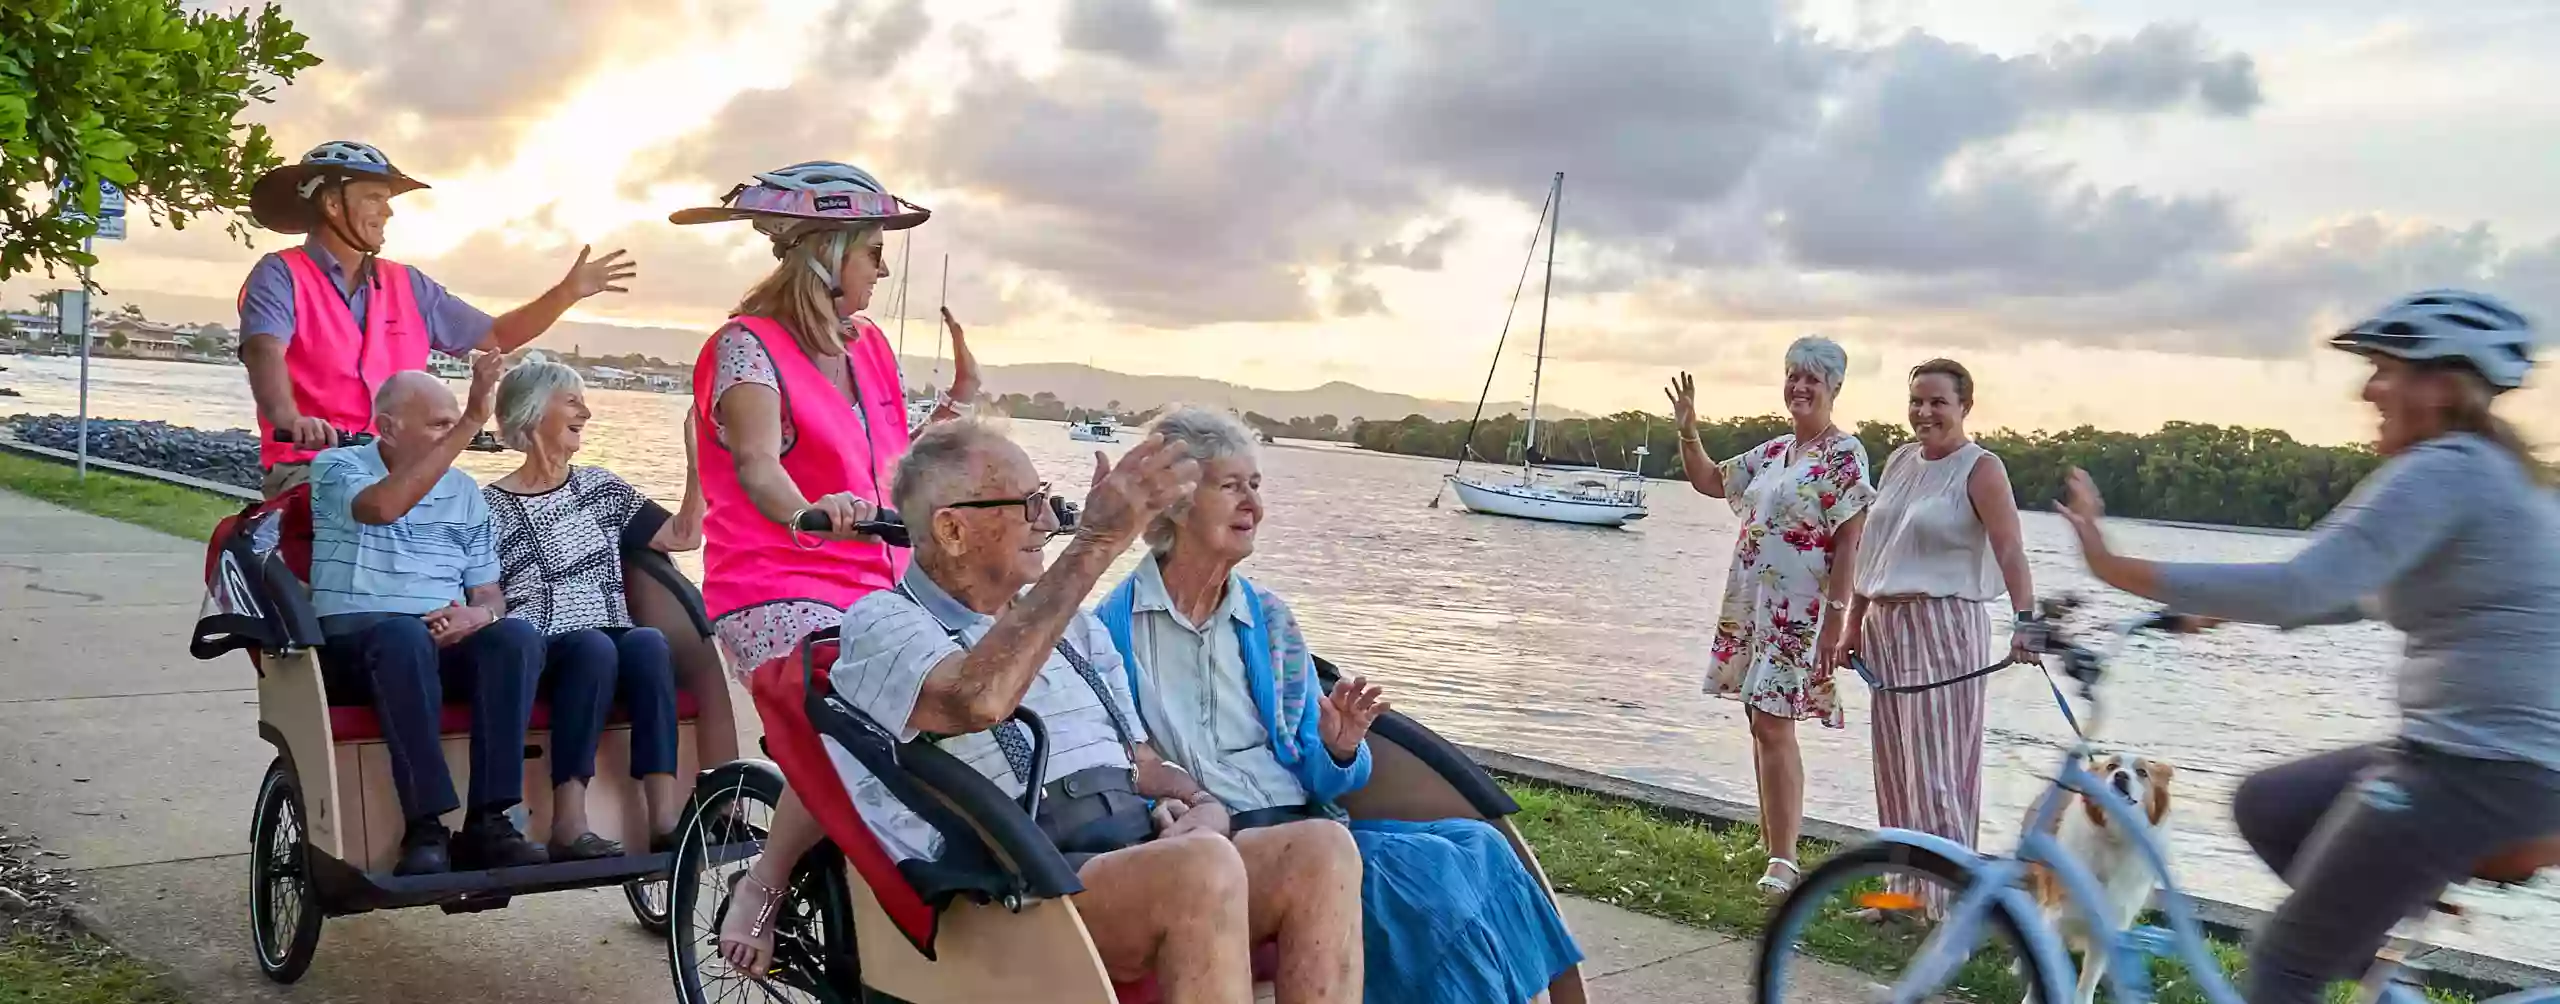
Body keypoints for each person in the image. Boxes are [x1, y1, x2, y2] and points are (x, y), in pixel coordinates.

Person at [2054, 290, 2560, 1004]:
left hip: (2479, 771)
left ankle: (2347, 944)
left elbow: (2302, 584)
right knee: (2271, 806)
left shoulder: (2450, 469)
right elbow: (2362, 593)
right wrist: (2213, 611)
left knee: (2282, 962)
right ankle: (2384, 973)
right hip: (2470, 759)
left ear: (2443, 385)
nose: (2370, 388)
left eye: (2387, 369)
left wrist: (2112, 567)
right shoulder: (2490, 475)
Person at [810, 418, 1364, 1002]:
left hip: (1124, 851)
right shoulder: (883, 623)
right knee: (1201, 868)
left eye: (1047, 500)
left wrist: (1203, 805)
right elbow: (976, 700)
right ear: (951, 529)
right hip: (1017, 882)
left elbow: (1139, 757)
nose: (1048, 521)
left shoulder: (1073, 626)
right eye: (1029, 505)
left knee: (1322, 849)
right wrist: (1097, 543)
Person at [1094, 406, 1583, 1004]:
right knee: (1427, 880)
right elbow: (1116, 760)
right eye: (1231, 487)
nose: (1254, 505)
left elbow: (1317, 773)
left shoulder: (1269, 620)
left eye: (1256, 486)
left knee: (1479, 848)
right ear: (1176, 504)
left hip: (1303, 819)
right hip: (1223, 841)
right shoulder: (1110, 630)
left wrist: (1341, 744)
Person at [667, 161, 980, 970]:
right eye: (872, 251)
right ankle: (763, 883)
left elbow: (899, 466)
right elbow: (759, 465)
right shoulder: (745, 348)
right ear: (825, 255)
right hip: (774, 588)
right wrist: (812, 509)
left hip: (875, 585)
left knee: (989, 679)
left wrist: (983, 483)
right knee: (859, 698)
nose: (882, 268)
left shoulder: (869, 348)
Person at [239, 140, 638, 497]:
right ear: (331, 204)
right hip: (313, 466)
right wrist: (290, 419)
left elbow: (497, 335)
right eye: (375, 197)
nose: (388, 210)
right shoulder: (280, 274)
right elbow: (264, 352)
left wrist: (566, 292)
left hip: (407, 468)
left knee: (473, 542)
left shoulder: (409, 285)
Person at [307, 357, 562, 875]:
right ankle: (425, 826)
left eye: (454, 422)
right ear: (388, 429)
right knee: (402, 636)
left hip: (439, 641)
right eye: (439, 424)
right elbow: (382, 508)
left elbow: (490, 592)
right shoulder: (339, 468)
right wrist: (471, 418)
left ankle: (489, 820)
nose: (454, 435)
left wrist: (478, 617)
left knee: (514, 636)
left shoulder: (465, 492)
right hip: (358, 642)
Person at [1665, 335, 1876, 897]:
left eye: (1811, 378)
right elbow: (1709, 480)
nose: (1799, 387)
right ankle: (1772, 846)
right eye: (1792, 376)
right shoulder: (1776, 450)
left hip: (1800, 610)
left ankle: (1785, 860)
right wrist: (1689, 429)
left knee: (1775, 723)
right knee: (1759, 719)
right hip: (1754, 603)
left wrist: (1838, 616)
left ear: (1834, 387)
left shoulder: (1844, 454)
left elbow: (1851, 537)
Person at [483, 352, 704, 859]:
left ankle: (665, 820)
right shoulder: (487, 505)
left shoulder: (600, 487)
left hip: (610, 634)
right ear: (536, 413)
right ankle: (569, 821)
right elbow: (481, 589)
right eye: (573, 402)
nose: (587, 412)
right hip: (539, 648)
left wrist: (696, 463)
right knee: (592, 648)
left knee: (647, 642)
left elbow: (683, 536)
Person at [1840, 359, 2035, 918]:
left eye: (1938, 402)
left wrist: (2027, 621)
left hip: (1944, 626)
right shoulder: (1901, 461)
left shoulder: (1981, 468)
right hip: (1886, 624)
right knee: (1897, 770)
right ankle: (1900, 898)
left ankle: (1952, 907)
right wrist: (1854, 621)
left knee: (1940, 771)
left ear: (1964, 407)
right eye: (1917, 401)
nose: (1925, 413)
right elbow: (1871, 552)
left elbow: (2010, 549)